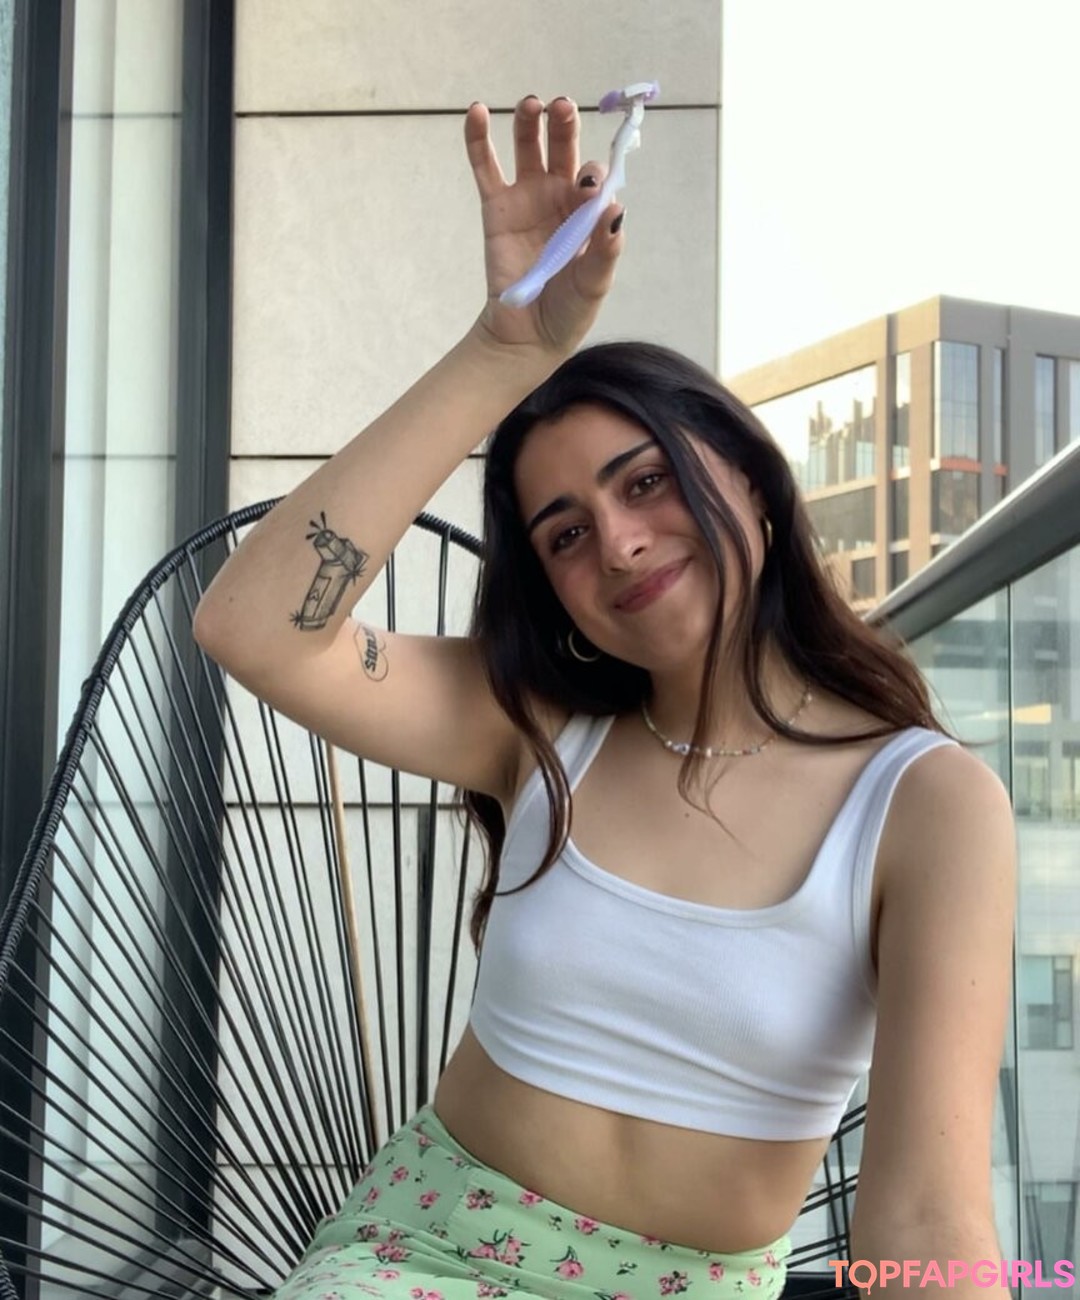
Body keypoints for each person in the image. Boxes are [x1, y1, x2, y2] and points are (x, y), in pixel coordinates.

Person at [194, 94, 1017, 1300]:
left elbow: (929, 1220)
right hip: (420, 1258)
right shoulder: (541, 726)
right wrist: (504, 352)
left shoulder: (927, 806)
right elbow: (253, 627)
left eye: (645, 482)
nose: (621, 544)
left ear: (750, 479)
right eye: (566, 533)